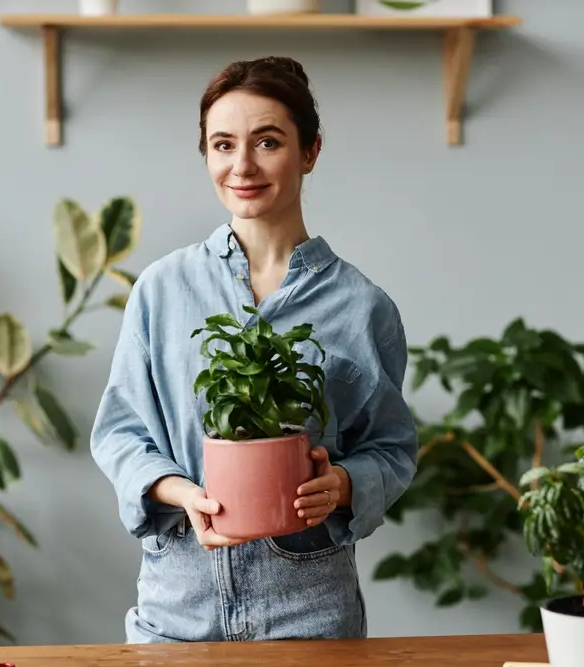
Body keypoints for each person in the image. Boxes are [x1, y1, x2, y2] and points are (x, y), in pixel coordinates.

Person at [89, 55, 418, 644]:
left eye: (267, 142)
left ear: (311, 151)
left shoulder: (363, 306)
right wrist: (180, 493)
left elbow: (391, 447)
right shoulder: (162, 289)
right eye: (222, 145)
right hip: (177, 605)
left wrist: (342, 483)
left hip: (310, 607)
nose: (241, 166)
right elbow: (119, 433)